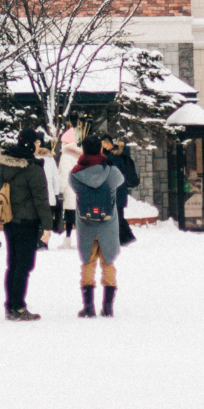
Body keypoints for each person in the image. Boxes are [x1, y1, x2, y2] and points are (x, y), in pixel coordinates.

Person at [0, 128, 52, 320]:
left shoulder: (4, 164)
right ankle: (18, 307)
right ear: (29, 143)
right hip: (27, 222)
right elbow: (41, 200)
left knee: (13, 263)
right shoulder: (32, 168)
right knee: (24, 265)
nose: (38, 146)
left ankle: (10, 305)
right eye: (36, 143)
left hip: (9, 220)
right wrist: (48, 226)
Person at [69, 136, 125, 317]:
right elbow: (121, 180)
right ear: (100, 150)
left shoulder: (75, 173)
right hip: (108, 223)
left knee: (87, 263)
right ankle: (108, 307)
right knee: (108, 262)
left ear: (83, 150)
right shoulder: (111, 171)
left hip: (86, 224)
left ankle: (88, 307)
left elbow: (75, 189)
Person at [103, 137, 140, 245]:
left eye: (103, 144)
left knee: (117, 215)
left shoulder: (115, 156)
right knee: (117, 215)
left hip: (117, 190)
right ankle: (123, 238)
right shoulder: (118, 154)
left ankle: (126, 237)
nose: (103, 147)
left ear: (108, 143)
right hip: (120, 190)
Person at [53, 130, 80, 247]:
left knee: (70, 217)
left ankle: (69, 240)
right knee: (77, 217)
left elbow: (64, 174)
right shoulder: (79, 153)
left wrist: (61, 189)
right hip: (79, 190)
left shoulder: (66, 154)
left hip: (70, 190)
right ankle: (80, 240)